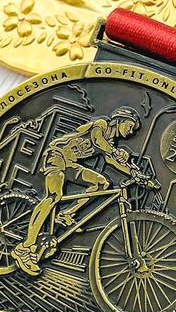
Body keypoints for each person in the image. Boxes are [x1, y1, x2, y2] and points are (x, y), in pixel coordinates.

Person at [12, 107, 141, 276]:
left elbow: (112, 160)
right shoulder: (102, 124)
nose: (131, 132)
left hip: (70, 164)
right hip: (56, 155)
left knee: (101, 183)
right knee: (53, 196)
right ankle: (25, 247)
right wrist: (115, 152)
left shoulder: (109, 142)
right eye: (130, 126)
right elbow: (97, 140)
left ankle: (66, 213)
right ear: (119, 120)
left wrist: (134, 173)